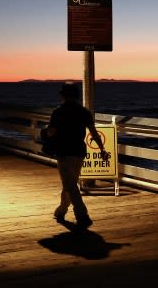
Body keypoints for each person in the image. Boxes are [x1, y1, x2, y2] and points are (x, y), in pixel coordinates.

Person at [46, 82, 109, 229]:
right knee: (70, 183)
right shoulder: (84, 112)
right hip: (79, 152)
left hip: (64, 151)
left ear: (62, 95)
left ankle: (82, 215)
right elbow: (93, 132)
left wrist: (44, 132)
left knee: (70, 184)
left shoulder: (58, 112)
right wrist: (102, 149)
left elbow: (51, 132)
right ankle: (61, 210)